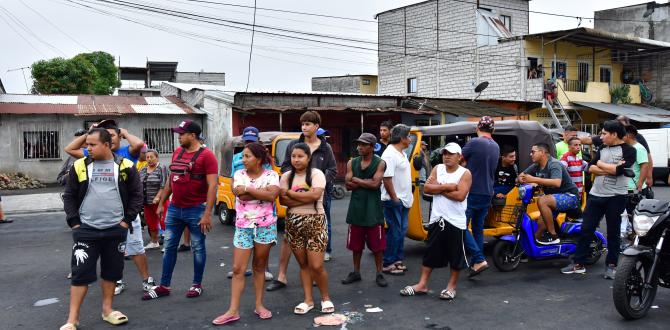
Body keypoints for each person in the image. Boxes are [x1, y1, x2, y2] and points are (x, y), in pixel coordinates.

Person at [60, 128, 143, 330]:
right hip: (86, 230)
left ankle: (107, 310)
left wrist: (126, 221)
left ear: (107, 145)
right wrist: (74, 222)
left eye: (92, 144)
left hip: (116, 230)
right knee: (80, 274)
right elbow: (69, 195)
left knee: (112, 272)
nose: (88, 148)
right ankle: (72, 319)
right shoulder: (80, 166)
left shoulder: (124, 166)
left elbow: (137, 195)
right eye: (86, 144)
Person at [64, 119, 155, 296]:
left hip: (125, 216)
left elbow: (140, 145)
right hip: (98, 219)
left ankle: (146, 280)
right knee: (111, 254)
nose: (111, 139)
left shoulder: (126, 153)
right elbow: (69, 149)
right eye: (107, 135)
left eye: (113, 135)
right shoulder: (91, 156)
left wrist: (125, 132)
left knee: (136, 248)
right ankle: (117, 281)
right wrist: (90, 133)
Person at [144, 119, 218, 300]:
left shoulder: (207, 156)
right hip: (175, 208)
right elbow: (171, 179)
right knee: (169, 246)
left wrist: (207, 214)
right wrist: (162, 203)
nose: (178, 137)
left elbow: (213, 186)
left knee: (198, 248)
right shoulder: (178, 152)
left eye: (182, 134)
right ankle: (164, 286)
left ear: (193, 136)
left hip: (197, 210)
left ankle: (196, 285)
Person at [267, 111, 336, 291]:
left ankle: (314, 273)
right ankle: (281, 276)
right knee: (288, 238)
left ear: (316, 127)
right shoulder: (293, 145)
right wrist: (299, 184)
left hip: (319, 198)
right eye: (302, 124)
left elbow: (332, 170)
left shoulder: (325, 148)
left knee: (315, 237)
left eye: (308, 124)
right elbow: (285, 167)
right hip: (294, 196)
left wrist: (316, 184)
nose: (304, 127)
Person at [212, 142, 280, 325]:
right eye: (243, 156)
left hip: (266, 226)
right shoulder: (239, 174)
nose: (243, 160)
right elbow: (240, 195)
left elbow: (272, 196)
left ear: (258, 159)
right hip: (243, 226)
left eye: (247, 156)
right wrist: (261, 192)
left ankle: (259, 305)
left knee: (259, 267)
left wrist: (249, 189)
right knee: (237, 269)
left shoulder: (272, 174)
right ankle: (233, 310)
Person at [562, 120, 637, 278]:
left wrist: (604, 166)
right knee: (586, 228)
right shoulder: (602, 148)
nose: (601, 137)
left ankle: (611, 265)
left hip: (616, 196)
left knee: (613, 232)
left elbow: (618, 170)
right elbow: (590, 167)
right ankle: (578, 263)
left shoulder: (629, 150)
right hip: (596, 194)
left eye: (604, 133)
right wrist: (609, 167)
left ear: (614, 134)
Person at [399, 143, 472, 300]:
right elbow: (426, 188)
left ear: (459, 157)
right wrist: (448, 187)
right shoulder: (437, 168)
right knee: (430, 253)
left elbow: (460, 196)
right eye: (445, 153)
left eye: (451, 153)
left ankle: (451, 287)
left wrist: (439, 188)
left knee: (455, 255)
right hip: (437, 219)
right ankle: (422, 284)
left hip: (455, 221)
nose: (447, 156)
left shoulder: (465, 173)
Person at [279, 143, 334, 315]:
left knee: (316, 266)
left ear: (308, 158)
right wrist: (305, 198)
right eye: (293, 156)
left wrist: (292, 195)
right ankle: (308, 300)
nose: (296, 159)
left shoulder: (317, 174)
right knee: (303, 264)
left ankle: (325, 298)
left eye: (300, 156)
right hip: (294, 223)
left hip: (316, 222)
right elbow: (283, 201)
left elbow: (315, 196)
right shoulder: (286, 176)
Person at [341, 133, 387, 287]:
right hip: (356, 208)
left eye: (364, 144)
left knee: (378, 246)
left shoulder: (380, 163)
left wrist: (356, 180)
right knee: (356, 245)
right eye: (359, 144)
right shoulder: (351, 162)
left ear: (372, 147)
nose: (359, 147)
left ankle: (379, 273)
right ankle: (356, 272)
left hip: (373, 209)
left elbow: (375, 185)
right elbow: (347, 185)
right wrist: (366, 181)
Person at [229, 126, 274, 281]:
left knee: (262, 245)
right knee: (243, 241)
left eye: (252, 141)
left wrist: (247, 189)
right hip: (244, 210)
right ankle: (243, 268)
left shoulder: (264, 158)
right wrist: (244, 192)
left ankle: (264, 268)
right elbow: (235, 186)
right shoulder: (236, 158)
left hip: (264, 211)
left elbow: (269, 190)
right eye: (247, 140)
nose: (248, 142)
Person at [519, 143, 580, 245]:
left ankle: (553, 235)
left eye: (533, 152)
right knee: (539, 230)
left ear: (542, 152)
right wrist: (527, 180)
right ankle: (529, 251)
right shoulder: (536, 166)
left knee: (542, 200)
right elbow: (520, 177)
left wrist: (534, 179)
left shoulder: (554, 164)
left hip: (570, 196)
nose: (530, 154)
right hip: (553, 200)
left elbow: (557, 182)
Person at [461, 116, 498, 277]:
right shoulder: (496, 146)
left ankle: (479, 258)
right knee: (477, 228)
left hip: (473, 190)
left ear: (478, 127)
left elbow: (458, 160)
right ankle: (476, 263)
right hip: (488, 191)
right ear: (493, 130)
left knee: (460, 227)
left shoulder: (474, 143)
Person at [380, 124, 414, 275]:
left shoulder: (402, 153)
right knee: (395, 231)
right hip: (393, 200)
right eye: (408, 136)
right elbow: (387, 179)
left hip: (404, 200)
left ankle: (397, 260)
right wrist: (394, 198)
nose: (410, 139)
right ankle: (388, 263)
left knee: (401, 231)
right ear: (402, 138)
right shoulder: (389, 154)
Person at [140, 149, 168, 250]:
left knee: (164, 222)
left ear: (157, 157)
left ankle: (168, 244)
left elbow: (163, 185)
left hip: (160, 201)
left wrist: (158, 197)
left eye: (152, 157)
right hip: (147, 202)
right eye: (147, 157)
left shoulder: (161, 168)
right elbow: (139, 184)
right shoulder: (143, 169)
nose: (149, 159)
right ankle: (154, 241)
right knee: (151, 222)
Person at [623, 125, 650, 214]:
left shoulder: (639, 148)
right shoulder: (628, 147)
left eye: (622, 134)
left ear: (628, 135)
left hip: (634, 188)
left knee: (632, 214)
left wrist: (640, 184)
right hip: (627, 187)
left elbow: (645, 166)